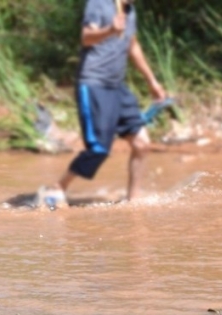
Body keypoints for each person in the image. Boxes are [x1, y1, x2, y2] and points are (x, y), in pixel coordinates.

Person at [49, 0, 166, 205]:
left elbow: (133, 45)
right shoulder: (98, 4)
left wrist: (152, 81)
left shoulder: (130, 11)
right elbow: (86, 37)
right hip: (93, 84)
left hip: (116, 86)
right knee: (99, 149)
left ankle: (133, 200)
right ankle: (58, 187)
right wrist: (110, 29)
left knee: (141, 143)